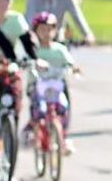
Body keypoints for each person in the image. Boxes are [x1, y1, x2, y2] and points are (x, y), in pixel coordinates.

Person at [0, 0, 41, 181]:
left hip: (10, 72)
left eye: (7, 0)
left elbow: (27, 42)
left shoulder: (16, 20)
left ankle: (9, 172)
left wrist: (35, 60)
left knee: (12, 111)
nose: (3, 4)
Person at [29, 12, 81, 154]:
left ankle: (62, 138)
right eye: (42, 29)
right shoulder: (35, 49)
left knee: (63, 107)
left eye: (49, 29)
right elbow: (29, 61)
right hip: (39, 86)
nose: (46, 33)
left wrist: (74, 68)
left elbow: (69, 61)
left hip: (56, 85)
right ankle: (35, 133)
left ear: (55, 30)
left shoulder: (59, 49)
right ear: (36, 31)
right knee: (38, 109)